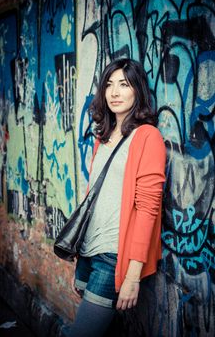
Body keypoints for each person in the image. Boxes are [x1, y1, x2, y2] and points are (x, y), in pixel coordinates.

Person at [62, 58, 166, 337]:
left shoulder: (148, 137)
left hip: (113, 257)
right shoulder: (103, 136)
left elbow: (148, 209)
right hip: (87, 251)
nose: (115, 92)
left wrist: (132, 276)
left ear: (138, 91)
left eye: (124, 84)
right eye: (109, 84)